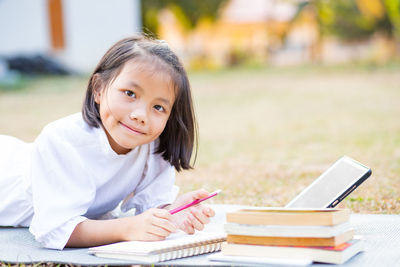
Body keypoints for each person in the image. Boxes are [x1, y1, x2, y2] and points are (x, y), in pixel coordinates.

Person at [0, 36, 215, 250]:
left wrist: (175, 213)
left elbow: (151, 208)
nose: (141, 115)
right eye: (130, 94)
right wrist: (127, 228)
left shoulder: (152, 146)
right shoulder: (61, 141)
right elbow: (56, 230)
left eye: (158, 107)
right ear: (98, 89)